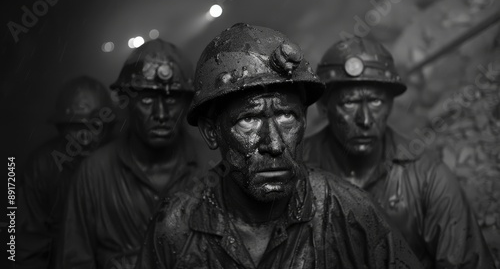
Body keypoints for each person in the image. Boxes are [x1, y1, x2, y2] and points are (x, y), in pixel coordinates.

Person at [135, 23, 423, 269]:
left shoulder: (351, 213)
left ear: (305, 121)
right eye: (248, 119)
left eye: (287, 116)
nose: (273, 143)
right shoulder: (176, 226)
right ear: (211, 132)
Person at [303, 36, 495, 268]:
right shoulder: (295, 171)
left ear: (390, 105)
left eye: (375, 102)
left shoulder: (427, 176)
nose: (364, 120)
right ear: (324, 107)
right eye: (349, 103)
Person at [58, 39, 211, 269]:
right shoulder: (94, 172)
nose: (161, 113)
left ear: (188, 103)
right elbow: (73, 260)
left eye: (171, 98)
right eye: (147, 99)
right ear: (127, 102)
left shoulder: (212, 165)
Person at [17, 76, 115, 269]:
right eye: (76, 127)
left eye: (94, 127)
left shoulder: (123, 159)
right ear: (61, 128)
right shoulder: (42, 165)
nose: (85, 138)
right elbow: (27, 243)